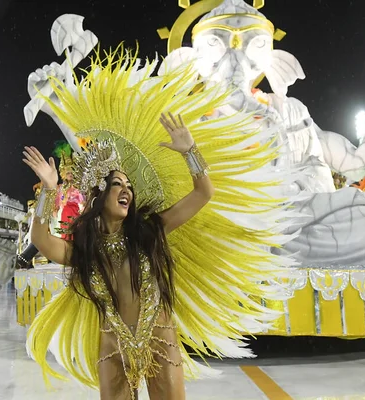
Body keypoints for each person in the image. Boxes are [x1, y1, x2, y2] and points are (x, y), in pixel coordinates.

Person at [23, 47, 290, 400]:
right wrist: (50, 189)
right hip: (111, 340)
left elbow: (203, 192)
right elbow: (41, 239)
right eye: (118, 184)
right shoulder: (86, 250)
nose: (127, 191)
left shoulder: (149, 230)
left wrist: (190, 151)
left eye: (130, 187)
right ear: (98, 195)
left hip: (159, 335)